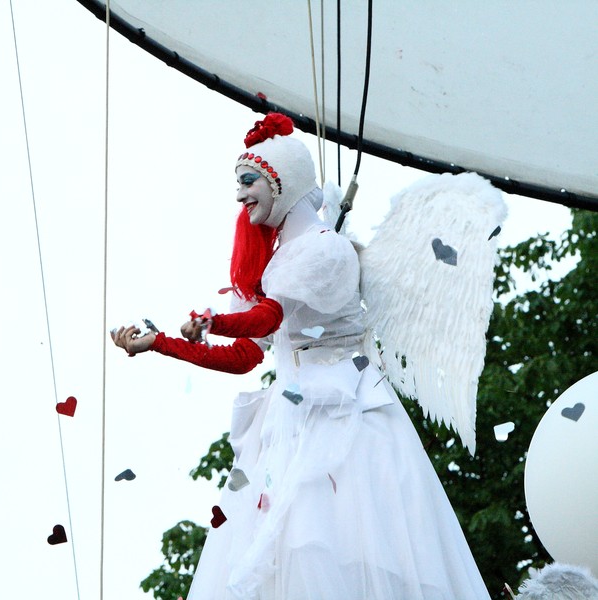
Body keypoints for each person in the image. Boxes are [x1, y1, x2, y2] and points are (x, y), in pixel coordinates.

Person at [111, 113, 490, 599]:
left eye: (248, 182)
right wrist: (160, 342)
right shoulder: (271, 258)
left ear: (281, 183)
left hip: (345, 412)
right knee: (287, 550)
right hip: (289, 422)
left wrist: (214, 323)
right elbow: (247, 356)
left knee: (327, 541)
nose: (239, 195)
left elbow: (268, 317)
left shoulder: (324, 250)